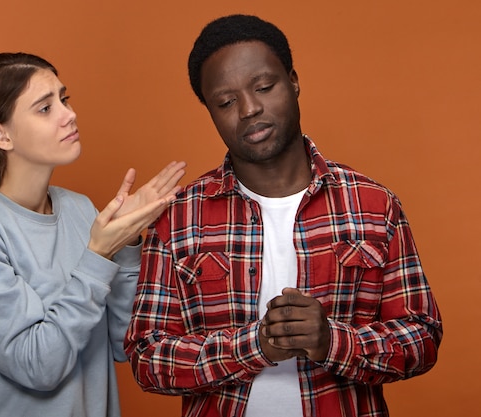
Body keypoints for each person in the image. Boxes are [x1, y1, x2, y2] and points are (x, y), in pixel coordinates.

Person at [124, 14, 442, 417]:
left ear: (293, 81)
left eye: (264, 87)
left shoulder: (374, 205)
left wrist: (332, 342)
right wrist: (256, 346)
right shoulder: (179, 218)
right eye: (226, 101)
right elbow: (148, 358)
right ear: (209, 110)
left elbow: (423, 339)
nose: (250, 109)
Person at [0, 52, 186, 417]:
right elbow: (39, 366)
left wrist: (125, 243)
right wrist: (97, 255)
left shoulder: (81, 211)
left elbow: (125, 344)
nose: (69, 114)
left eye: (64, 99)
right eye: (45, 109)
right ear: (1, 135)